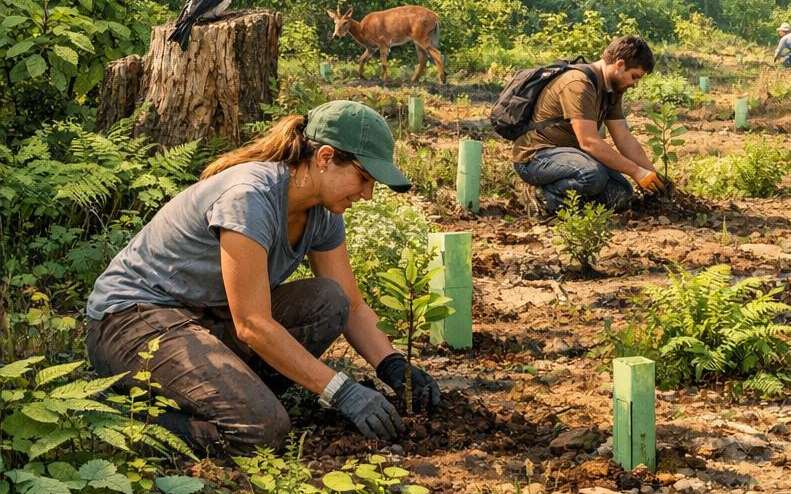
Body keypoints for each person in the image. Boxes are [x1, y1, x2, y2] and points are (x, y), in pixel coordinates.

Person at [86, 101, 442, 456]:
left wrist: (393, 365)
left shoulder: (323, 213)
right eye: (363, 178)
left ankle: (226, 399)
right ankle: (119, 417)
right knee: (261, 430)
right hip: (132, 322)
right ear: (325, 157)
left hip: (206, 319)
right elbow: (253, 324)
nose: (367, 194)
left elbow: (352, 305)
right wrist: (339, 390)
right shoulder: (250, 197)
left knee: (329, 301)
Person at [511, 34, 667, 216]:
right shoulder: (579, 83)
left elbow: (624, 137)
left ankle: (573, 204)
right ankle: (541, 195)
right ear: (620, 65)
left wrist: (652, 176)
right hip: (537, 157)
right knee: (592, 175)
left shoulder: (612, 90)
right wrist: (635, 171)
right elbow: (589, 142)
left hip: (570, 157)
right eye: (634, 77)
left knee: (622, 192)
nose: (634, 84)